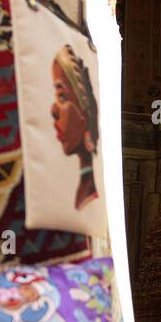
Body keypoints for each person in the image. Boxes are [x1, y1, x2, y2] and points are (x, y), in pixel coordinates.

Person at [50, 44, 100, 210]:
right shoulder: (81, 190)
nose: (53, 110)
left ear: (84, 117)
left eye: (62, 97)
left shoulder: (91, 197)